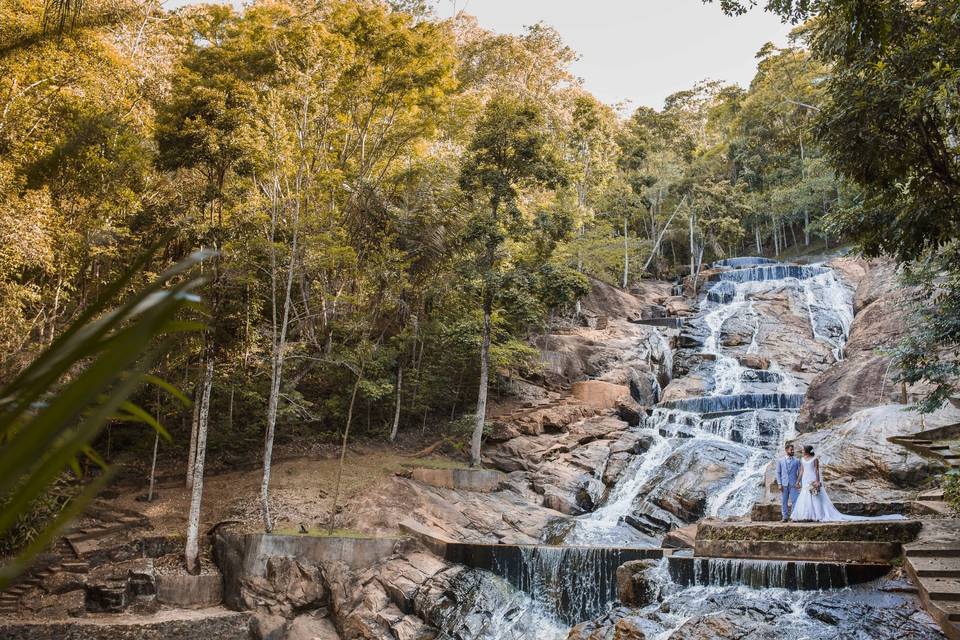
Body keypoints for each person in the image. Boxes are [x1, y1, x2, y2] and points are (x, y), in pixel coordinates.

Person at [790, 445, 907, 522]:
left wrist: (817, 481)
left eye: (803, 450)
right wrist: (798, 481)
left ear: (807, 451)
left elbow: (816, 470)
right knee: (805, 496)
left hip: (812, 478)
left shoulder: (815, 459)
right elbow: (801, 470)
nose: (801, 451)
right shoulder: (802, 460)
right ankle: (805, 515)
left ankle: (817, 515)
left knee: (815, 496)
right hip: (805, 478)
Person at [775, 443, 800, 522]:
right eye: (791, 450)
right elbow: (778, 473)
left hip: (793, 484)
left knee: (795, 500)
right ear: (786, 450)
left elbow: (800, 473)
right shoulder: (780, 461)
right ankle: (785, 517)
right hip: (784, 484)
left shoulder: (797, 461)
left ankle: (793, 516)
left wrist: (799, 483)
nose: (793, 451)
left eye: (793, 450)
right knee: (784, 501)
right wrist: (779, 483)